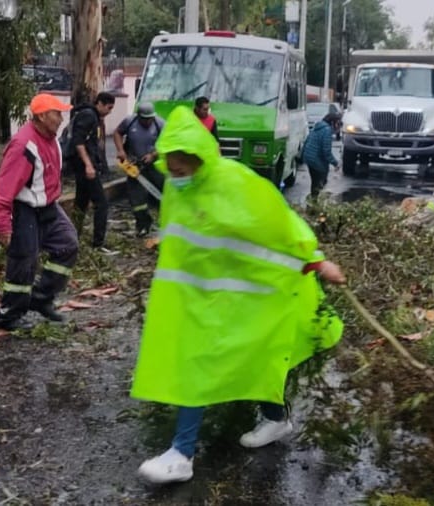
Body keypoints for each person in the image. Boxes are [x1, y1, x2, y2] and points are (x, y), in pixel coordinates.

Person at [130, 106, 346, 484]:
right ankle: (194, 448)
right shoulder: (179, 189)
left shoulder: (235, 183)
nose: (176, 176)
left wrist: (315, 260)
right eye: (172, 169)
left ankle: (211, 443)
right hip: (199, 299)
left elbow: (278, 223)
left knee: (253, 356)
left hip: (248, 294)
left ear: (198, 158)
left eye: (181, 169)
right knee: (197, 362)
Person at [0, 94, 79, 331]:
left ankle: (41, 299)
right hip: (26, 210)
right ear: (41, 116)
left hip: (49, 207)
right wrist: (2, 223)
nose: (61, 118)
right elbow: (4, 187)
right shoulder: (24, 145)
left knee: (68, 245)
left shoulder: (51, 138)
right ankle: (8, 316)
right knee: (24, 261)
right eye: (56, 113)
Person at [70, 91, 116, 249]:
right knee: (101, 204)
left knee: (81, 204)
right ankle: (98, 243)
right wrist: (88, 165)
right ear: (100, 103)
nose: (109, 112)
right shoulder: (89, 116)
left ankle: (71, 238)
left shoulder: (95, 117)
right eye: (109, 108)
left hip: (85, 166)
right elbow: (78, 141)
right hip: (85, 167)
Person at [113, 102, 165, 237]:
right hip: (135, 164)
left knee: (162, 194)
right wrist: (120, 150)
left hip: (155, 165)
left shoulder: (160, 124)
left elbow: (168, 143)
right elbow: (118, 133)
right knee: (137, 199)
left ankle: (167, 224)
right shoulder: (130, 122)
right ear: (139, 116)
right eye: (145, 119)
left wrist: (154, 154)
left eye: (150, 119)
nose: (148, 122)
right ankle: (142, 225)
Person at [302, 112, 341, 198]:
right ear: (332, 122)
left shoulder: (318, 127)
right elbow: (326, 152)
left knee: (315, 182)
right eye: (337, 123)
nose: (338, 126)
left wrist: (302, 155)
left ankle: (312, 201)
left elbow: (307, 141)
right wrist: (335, 163)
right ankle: (313, 203)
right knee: (320, 182)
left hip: (309, 158)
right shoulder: (327, 131)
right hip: (316, 161)